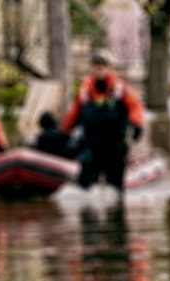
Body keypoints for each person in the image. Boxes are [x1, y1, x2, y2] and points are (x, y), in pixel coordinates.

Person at [61, 50, 146, 192]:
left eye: (102, 66)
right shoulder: (85, 89)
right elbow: (74, 113)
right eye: (95, 66)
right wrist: (65, 132)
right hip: (92, 144)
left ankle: (116, 206)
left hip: (114, 144)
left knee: (115, 183)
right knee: (86, 178)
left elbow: (135, 107)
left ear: (108, 68)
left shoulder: (120, 88)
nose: (98, 69)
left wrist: (137, 124)